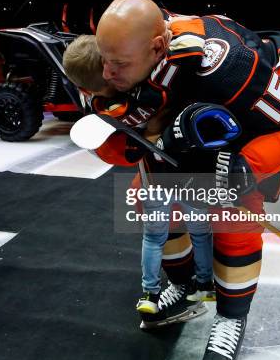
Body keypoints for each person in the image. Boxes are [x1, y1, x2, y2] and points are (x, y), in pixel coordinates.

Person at [95, 0, 280, 360]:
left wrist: (247, 165)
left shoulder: (230, 70)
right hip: (180, 116)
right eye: (104, 59)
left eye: (119, 65)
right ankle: (184, 283)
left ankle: (232, 316)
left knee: (234, 218)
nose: (106, 72)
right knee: (153, 198)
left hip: (245, 116)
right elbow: (122, 140)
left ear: (158, 47)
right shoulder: (123, 46)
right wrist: (125, 137)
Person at [63, 24, 215, 318]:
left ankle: (151, 292)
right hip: (193, 171)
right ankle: (205, 284)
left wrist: (152, 133)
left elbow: (131, 150)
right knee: (200, 232)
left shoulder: (104, 109)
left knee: (154, 237)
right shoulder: (153, 75)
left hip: (156, 176)